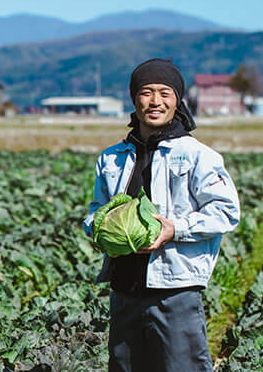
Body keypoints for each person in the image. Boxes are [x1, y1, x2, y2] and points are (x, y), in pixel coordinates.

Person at [84, 58, 240, 372]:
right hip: (124, 288)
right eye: (146, 92)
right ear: (134, 99)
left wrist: (174, 229)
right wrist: (97, 230)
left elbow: (226, 211)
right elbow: (96, 210)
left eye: (165, 93)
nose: (155, 101)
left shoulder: (198, 156)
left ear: (177, 100)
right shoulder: (112, 158)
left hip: (175, 288)